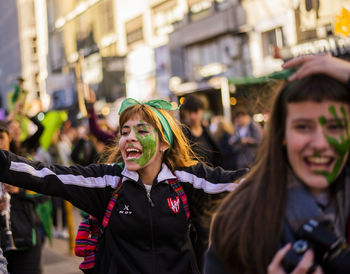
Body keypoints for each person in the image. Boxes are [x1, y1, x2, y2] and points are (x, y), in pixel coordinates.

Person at [0, 98, 246, 274]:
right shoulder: (107, 183)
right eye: (125, 131)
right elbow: (47, 175)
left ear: (164, 143)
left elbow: (248, 183)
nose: (129, 138)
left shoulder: (188, 181)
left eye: (141, 131)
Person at [206, 54, 350, 274]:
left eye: (335, 127)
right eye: (303, 127)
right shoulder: (239, 219)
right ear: (282, 132)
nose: (321, 144)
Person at [0, 120, 43, 274]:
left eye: (1, 137)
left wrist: (19, 191)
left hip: (25, 240)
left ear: (9, 137)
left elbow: (44, 194)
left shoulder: (24, 162)